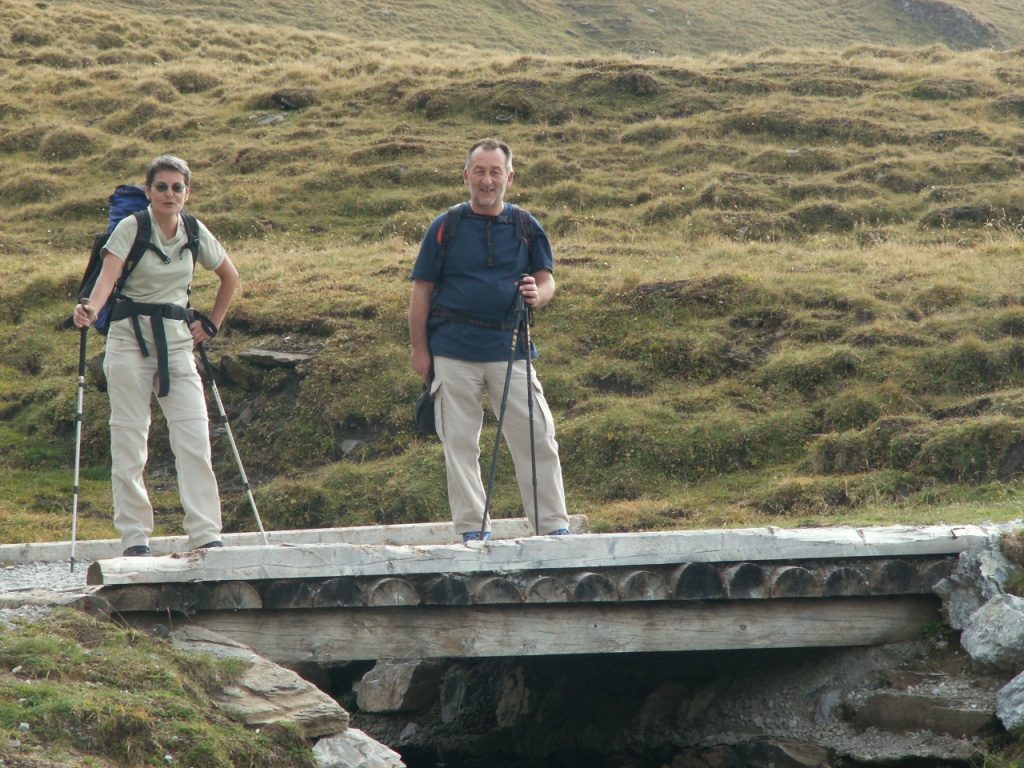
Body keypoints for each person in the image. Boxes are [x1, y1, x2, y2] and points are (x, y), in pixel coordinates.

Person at [73, 155, 239, 557]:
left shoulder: (194, 230)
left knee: (195, 438)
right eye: (161, 186)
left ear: (187, 192)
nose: (169, 193)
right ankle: (134, 539)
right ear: (148, 191)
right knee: (130, 441)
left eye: (177, 187)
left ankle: (205, 534)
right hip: (128, 344)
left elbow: (229, 276)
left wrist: (211, 325)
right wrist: (89, 310)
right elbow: (106, 280)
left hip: (178, 347)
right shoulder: (132, 227)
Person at [409, 138, 571, 543]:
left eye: (495, 172)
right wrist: (420, 351)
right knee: (460, 444)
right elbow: (421, 291)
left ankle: (552, 527)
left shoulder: (526, 226)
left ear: (509, 178)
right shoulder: (444, 226)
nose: (487, 180)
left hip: (510, 349)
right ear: (466, 176)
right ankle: (472, 530)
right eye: (479, 172)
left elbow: (547, 279)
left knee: (536, 436)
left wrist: (538, 294)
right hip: (452, 351)